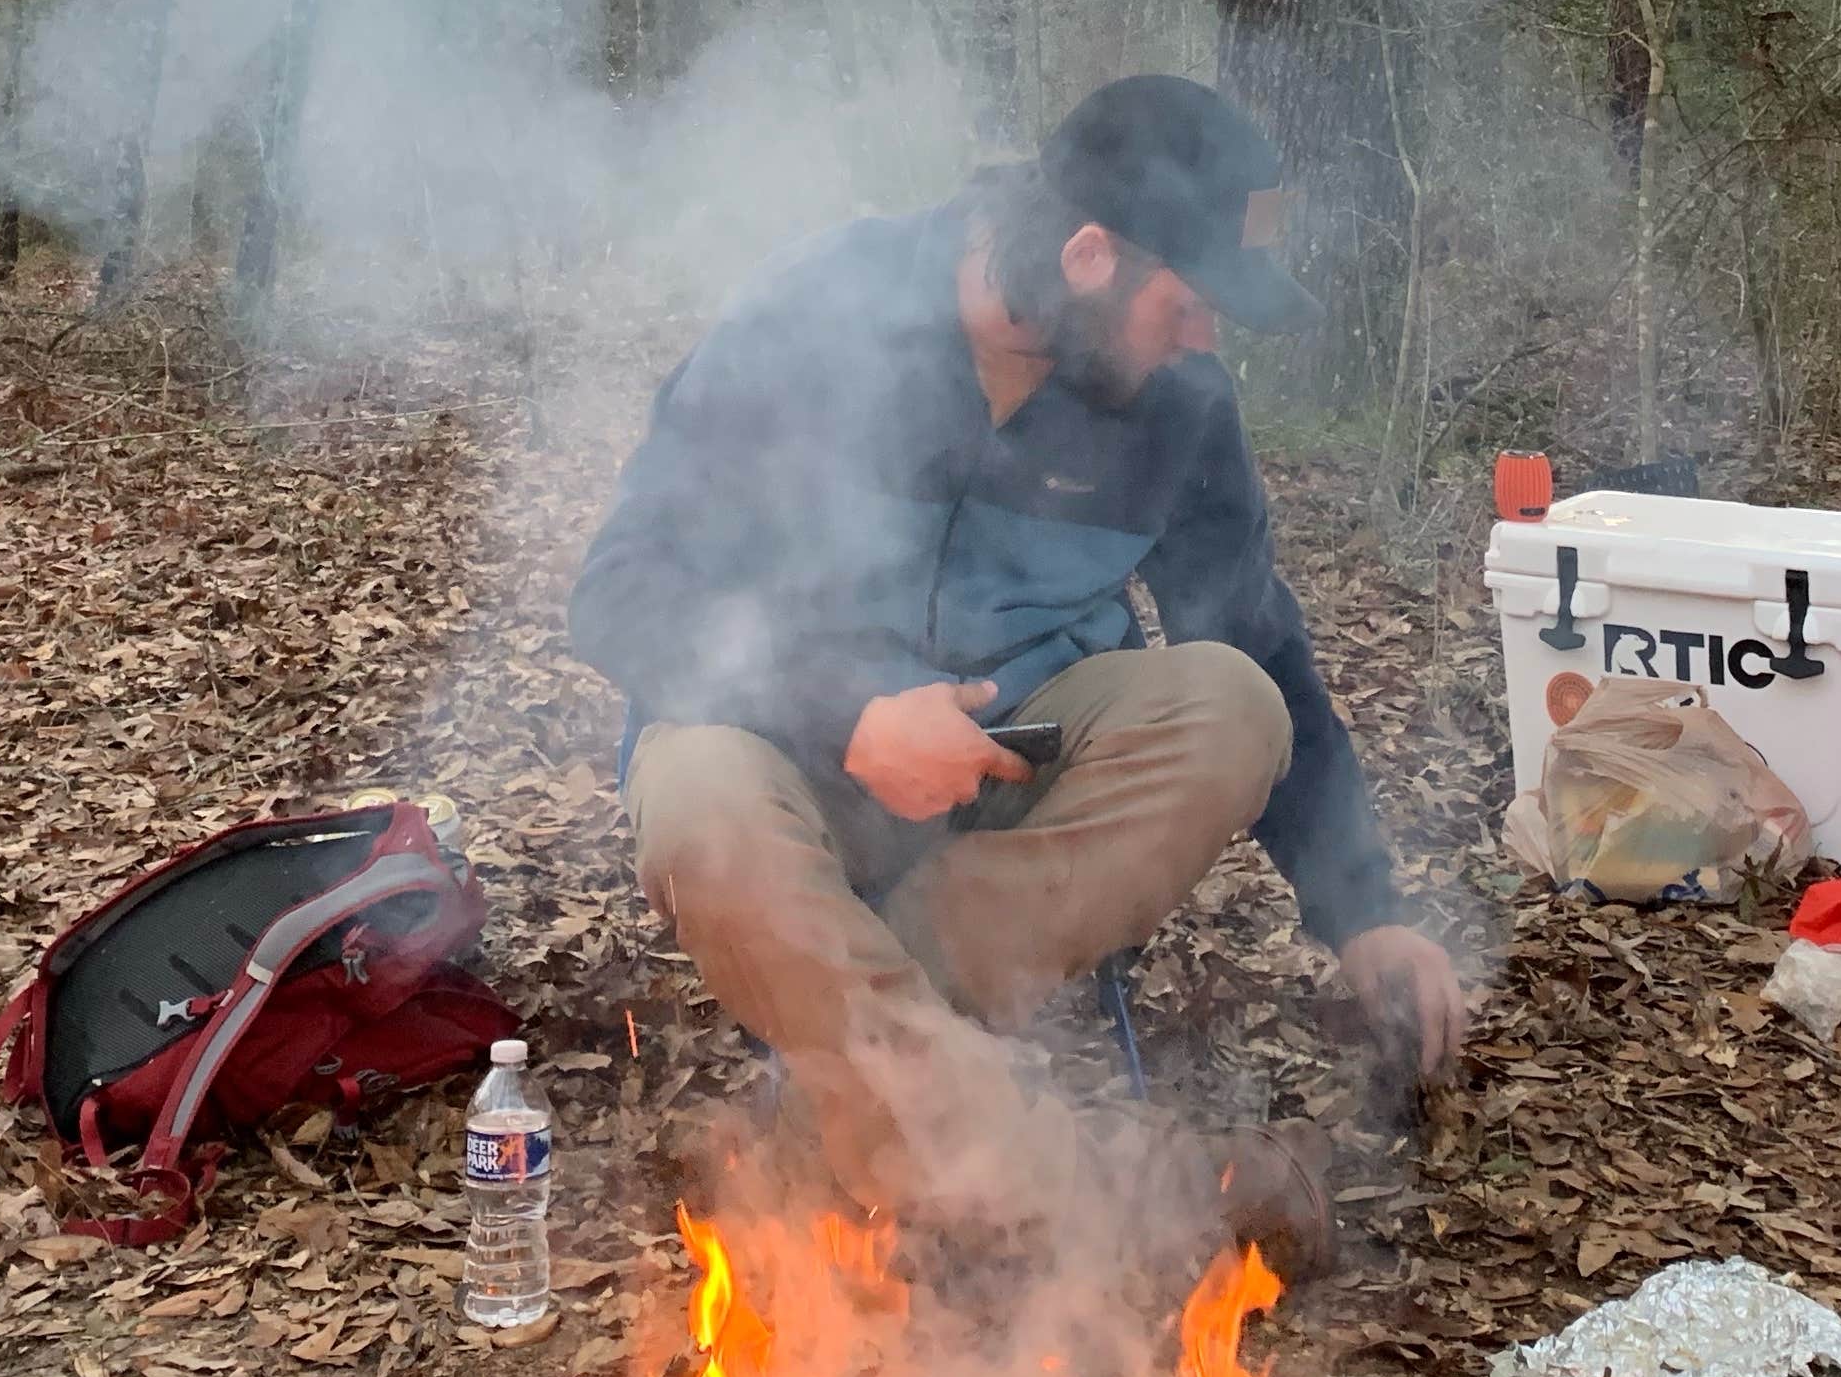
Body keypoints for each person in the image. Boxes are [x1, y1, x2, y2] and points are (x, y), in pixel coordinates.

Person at [568, 75, 1467, 1271]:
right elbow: (622, 588)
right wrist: (852, 714)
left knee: (1231, 708)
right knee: (694, 807)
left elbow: (1258, 639)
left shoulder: (1179, 404)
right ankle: (1072, 1192)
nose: (1205, 341)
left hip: (1012, 780)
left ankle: (848, 1080)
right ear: (1089, 255)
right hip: (789, 755)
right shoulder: (825, 313)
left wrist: (1366, 914)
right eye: (1188, 303)